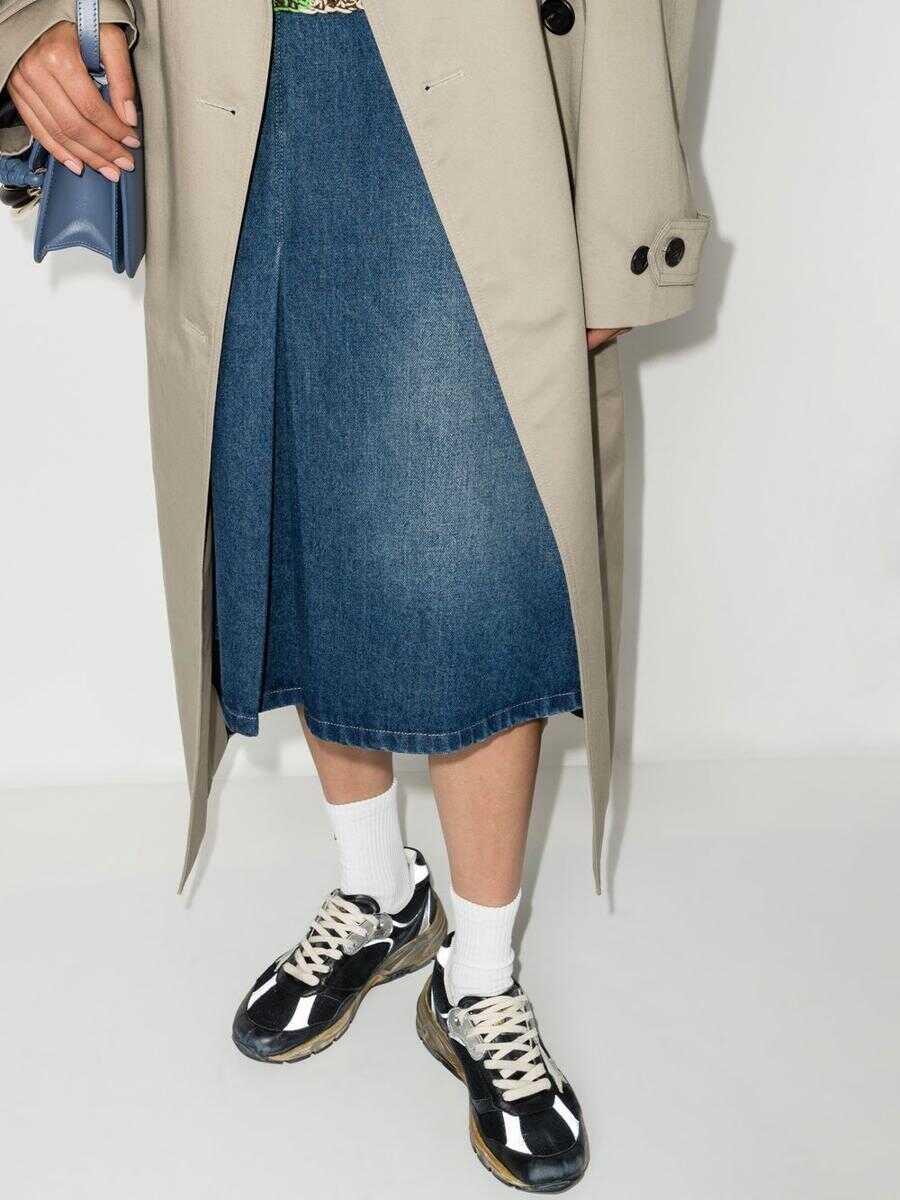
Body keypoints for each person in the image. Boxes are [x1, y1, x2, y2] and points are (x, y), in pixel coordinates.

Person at [0, 0, 709, 1190]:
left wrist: (628, 206)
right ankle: (379, 889)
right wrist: (29, 20)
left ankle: (481, 974)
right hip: (227, 69)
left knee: (483, 543)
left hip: (488, 74)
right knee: (299, 504)